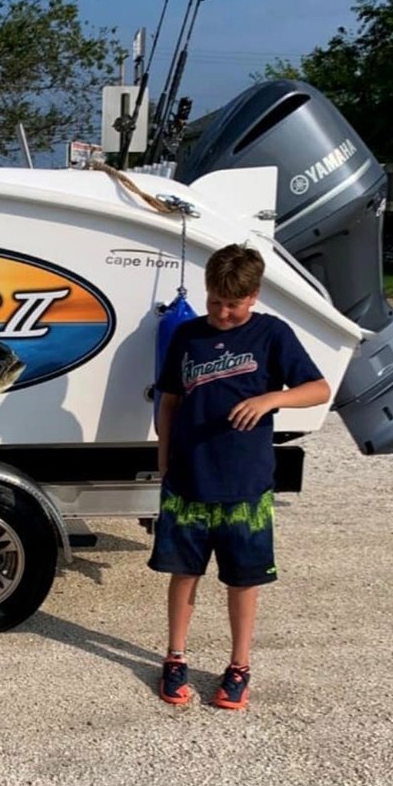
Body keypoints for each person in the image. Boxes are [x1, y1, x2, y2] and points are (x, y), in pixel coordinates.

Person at [149, 243, 330, 709]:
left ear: (254, 296)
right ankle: (174, 658)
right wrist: (164, 458)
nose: (223, 313)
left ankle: (239, 665)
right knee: (183, 574)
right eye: (215, 302)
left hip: (245, 484)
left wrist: (270, 400)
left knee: (242, 579)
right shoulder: (188, 335)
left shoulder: (273, 334)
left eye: (233, 304)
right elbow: (169, 401)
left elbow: (318, 389)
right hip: (189, 479)